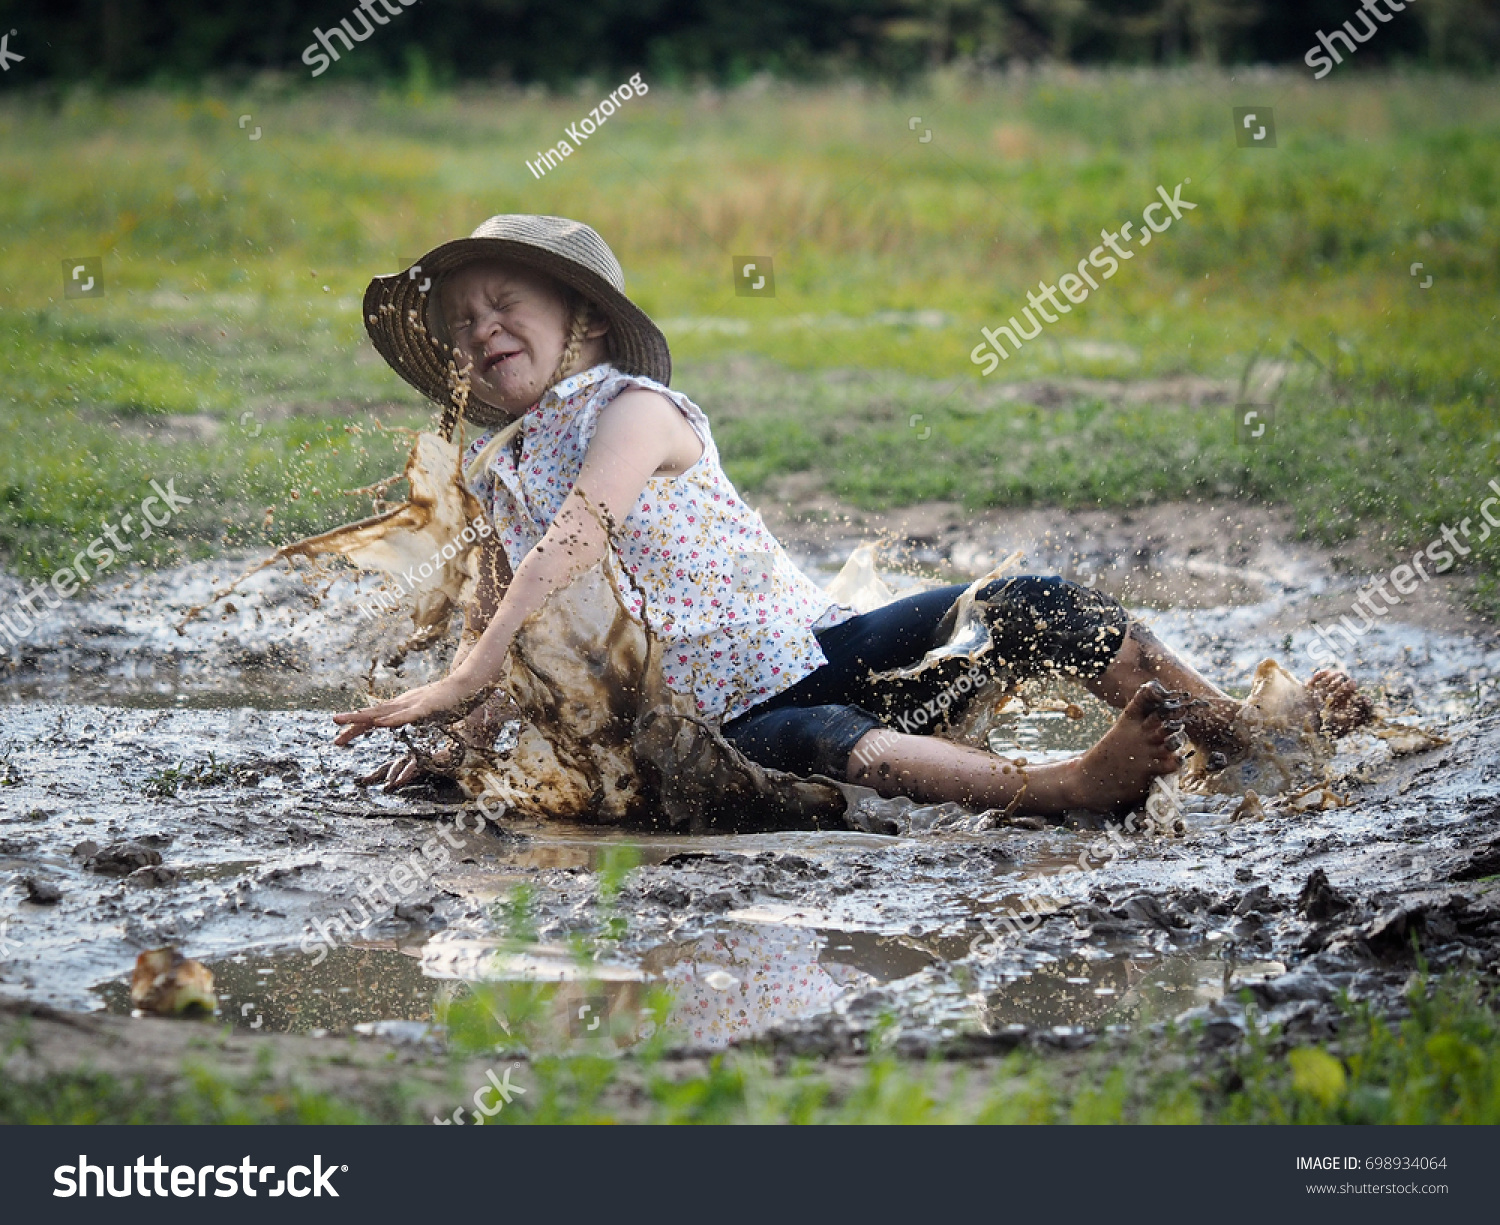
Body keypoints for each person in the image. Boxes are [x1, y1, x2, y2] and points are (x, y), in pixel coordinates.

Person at [333, 215, 1368, 815]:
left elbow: (580, 535)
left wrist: (467, 677)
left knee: (1024, 601)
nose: (482, 329)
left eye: (507, 301)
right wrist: (457, 740)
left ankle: (1233, 727)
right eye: (464, 323)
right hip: (711, 732)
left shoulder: (633, 410)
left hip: (812, 649)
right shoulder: (498, 474)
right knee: (840, 746)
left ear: (586, 320)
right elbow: (507, 636)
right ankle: (1062, 786)